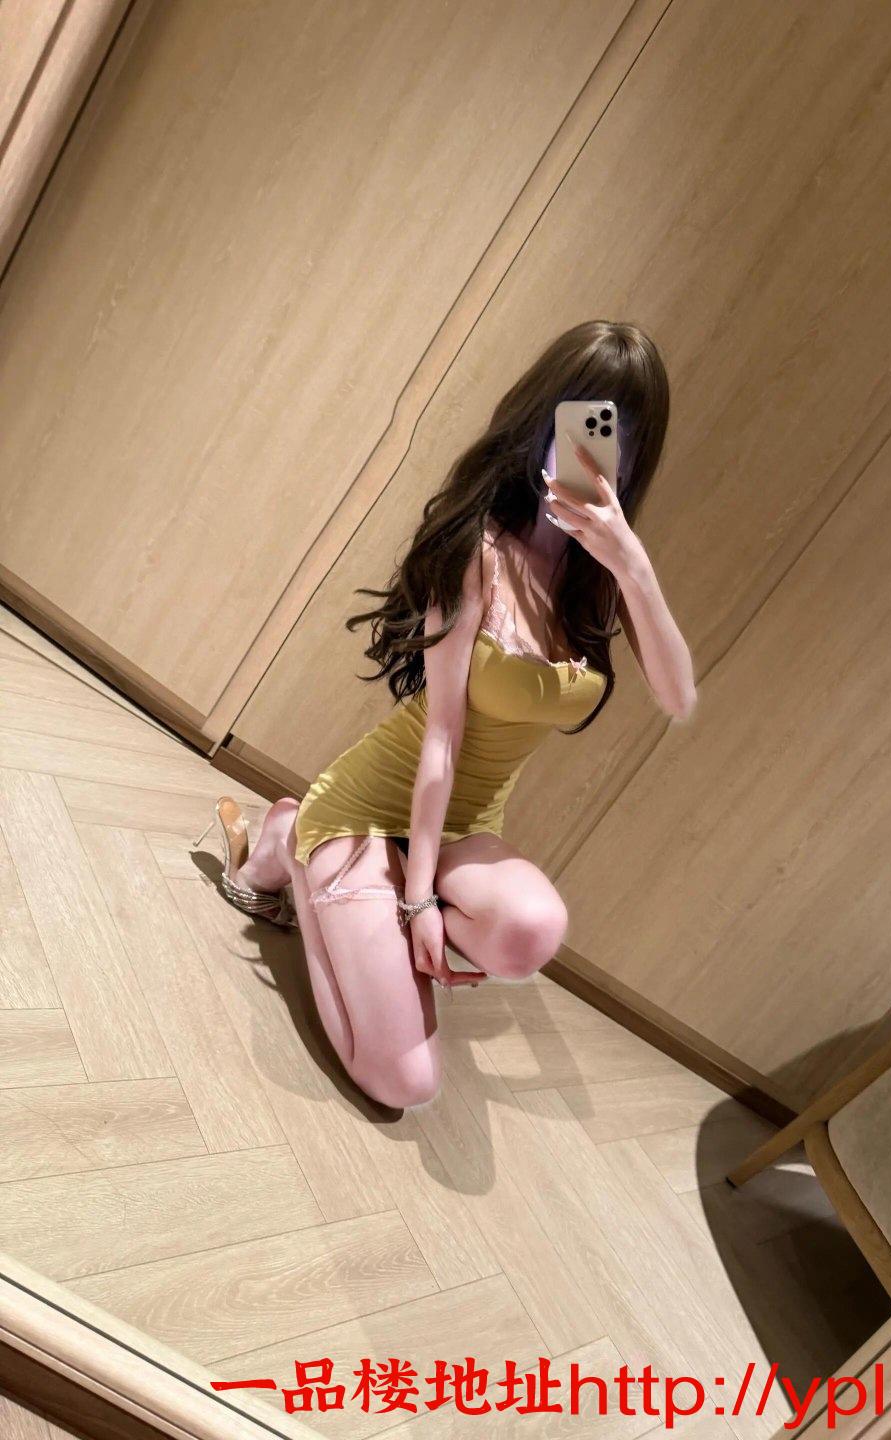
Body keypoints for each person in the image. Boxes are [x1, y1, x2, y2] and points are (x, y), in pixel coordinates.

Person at [206, 320, 696, 1108]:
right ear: (543, 419)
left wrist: (635, 568)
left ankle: (332, 873)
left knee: (532, 932)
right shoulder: (478, 550)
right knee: (405, 1083)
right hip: (373, 806)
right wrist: (418, 902)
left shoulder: (600, 581)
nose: (603, 451)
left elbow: (677, 696)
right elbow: (441, 737)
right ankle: (298, 845)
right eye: (588, 421)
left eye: (623, 436)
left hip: (465, 827)